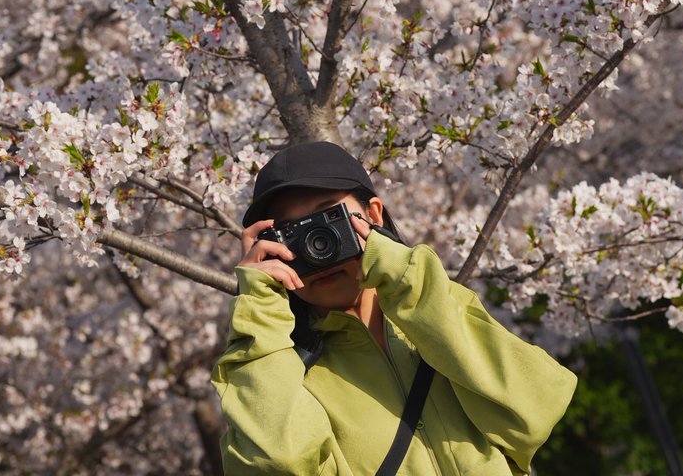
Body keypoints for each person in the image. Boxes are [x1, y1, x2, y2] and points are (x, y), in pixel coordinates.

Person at [212, 141, 577, 475]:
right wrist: (258, 308)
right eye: (292, 234)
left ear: (373, 213)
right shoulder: (284, 372)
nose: (315, 247)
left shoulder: (434, 307)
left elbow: (536, 407)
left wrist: (403, 274)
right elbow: (277, 462)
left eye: (329, 220)